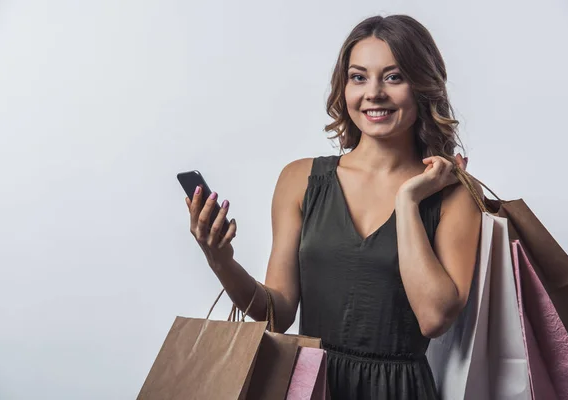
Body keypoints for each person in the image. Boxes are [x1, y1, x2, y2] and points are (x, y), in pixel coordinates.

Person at [185, 14, 482, 400]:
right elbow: (278, 311)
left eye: (393, 77)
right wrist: (220, 259)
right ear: (343, 88)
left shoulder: (454, 193)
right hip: (310, 385)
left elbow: (434, 318)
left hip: (400, 392)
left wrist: (408, 201)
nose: (373, 92)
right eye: (359, 77)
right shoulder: (300, 180)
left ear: (423, 87)